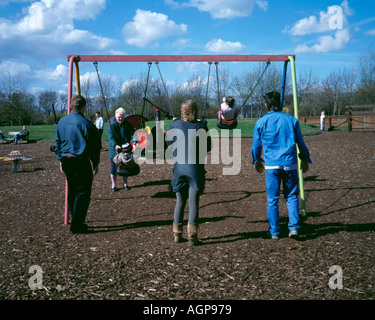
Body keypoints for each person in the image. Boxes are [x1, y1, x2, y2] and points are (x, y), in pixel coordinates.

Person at [251, 91, 312, 240]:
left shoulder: (261, 121)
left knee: (272, 199)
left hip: (272, 165)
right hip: (290, 163)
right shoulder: (291, 120)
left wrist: (256, 160)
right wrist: (305, 159)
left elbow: (256, 146)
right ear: (280, 104)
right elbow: (301, 143)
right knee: (291, 196)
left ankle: (274, 231)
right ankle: (294, 228)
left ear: (266, 105)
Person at [166, 100, 212, 246]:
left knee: (180, 201)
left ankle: (177, 235)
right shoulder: (200, 127)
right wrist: (204, 127)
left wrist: (174, 125)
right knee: (193, 203)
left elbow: (168, 143)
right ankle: (192, 238)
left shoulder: (175, 125)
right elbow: (208, 146)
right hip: (194, 169)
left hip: (179, 169)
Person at [55, 95, 100, 234]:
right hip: (80, 161)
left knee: (73, 190)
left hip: (67, 160)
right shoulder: (87, 124)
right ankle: (77, 225)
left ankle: (76, 220)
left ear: (71, 106)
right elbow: (94, 146)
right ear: (84, 107)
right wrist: (95, 162)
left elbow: (58, 142)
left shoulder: (62, 121)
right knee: (83, 192)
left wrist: (60, 159)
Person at [108, 107, 135, 191]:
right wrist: (115, 145)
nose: (121, 118)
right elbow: (111, 138)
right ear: (115, 116)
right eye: (119, 117)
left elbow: (132, 134)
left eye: (122, 116)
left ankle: (125, 184)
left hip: (125, 149)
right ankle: (114, 185)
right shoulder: (112, 126)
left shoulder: (128, 124)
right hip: (114, 149)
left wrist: (134, 142)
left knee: (125, 166)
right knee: (114, 167)